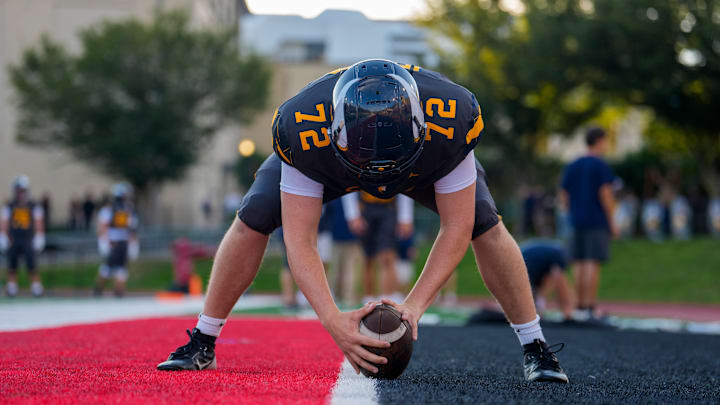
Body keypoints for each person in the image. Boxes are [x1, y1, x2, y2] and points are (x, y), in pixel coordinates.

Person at [157, 60, 567, 383]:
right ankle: (203, 340)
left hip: (420, 167)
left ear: (422, 126)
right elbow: (300, 240)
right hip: (334, 167)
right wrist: (331, 318)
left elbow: (456, 228)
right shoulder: (303, 129)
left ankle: (535, 346)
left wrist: (415, 306)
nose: (379, 178)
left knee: (486, 224)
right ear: (332, 129)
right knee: (252, 220)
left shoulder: (451, 119)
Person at [560, 127, 617, 320]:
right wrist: (612, 220)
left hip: (576, 219)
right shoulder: (600, 165)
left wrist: (571, 212)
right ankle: (590, 305)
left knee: (578, 262)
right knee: (592, 262)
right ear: (599, 141)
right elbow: (605, 194)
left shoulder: (573, 165)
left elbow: (564, 194)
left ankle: (578, 305)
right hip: (596, 219)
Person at [342, 192, 413, 303]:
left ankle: (387, 297)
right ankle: (368, 298)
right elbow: (349, 187)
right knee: (367, 257)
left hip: (388, 208)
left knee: (387, 255)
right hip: (366, 208)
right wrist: (353, 215)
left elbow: (404, 188)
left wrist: (405, 217)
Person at [0, 176, 46, 297]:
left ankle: (36, 286)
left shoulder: (33, 206)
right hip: (13, 239)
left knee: (31, 264)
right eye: (19, 191)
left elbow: (38, 222)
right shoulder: (9, 206)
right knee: (12, 264)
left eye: (23, 191)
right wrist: (3, 235)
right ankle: (12, 286)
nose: (21, 194)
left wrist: (39, 235)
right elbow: (4, 223)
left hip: (28, 239)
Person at [94, 183, 139, 298]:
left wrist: (103, 240)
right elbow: (132, 230)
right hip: (121, 242)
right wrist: (133, 242)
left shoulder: (109, 210)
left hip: (114, 242)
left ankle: (103, 289)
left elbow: (103, 227)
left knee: (111, 267)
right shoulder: (128, 210)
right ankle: (115, 290)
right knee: (118, 268)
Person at [520, 240, 574, 320]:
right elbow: (559, 281)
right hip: (523, 267)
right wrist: (567, 308)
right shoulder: (560, 256)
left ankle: (537, 306)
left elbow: (549, 279)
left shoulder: (552, 256)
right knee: (528, 307)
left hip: (522, 265)